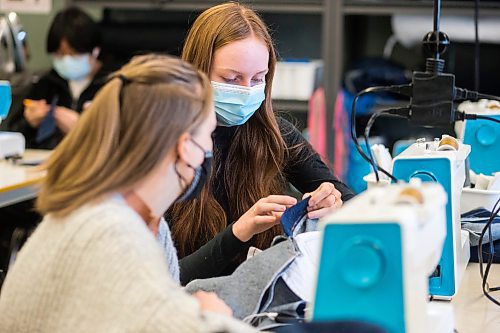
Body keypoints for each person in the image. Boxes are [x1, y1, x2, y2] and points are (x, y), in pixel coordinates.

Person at [0, 54, 256, 333]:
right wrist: (213, 315)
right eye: (208, 133)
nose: (210, 146)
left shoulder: (135, 217)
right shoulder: (110, 230)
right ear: (186, 146)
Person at [169, 2, 355, 285]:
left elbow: (353, 203)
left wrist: (333, 202)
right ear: (197, 72)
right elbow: (160, 278)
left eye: (258, 79)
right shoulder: (164, 148)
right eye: (232, 79)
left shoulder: (273, 134)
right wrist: (239, 233)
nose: (246, 92)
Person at [3, 6, 107, 149]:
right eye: (59, 54)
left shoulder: (112, 85)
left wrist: (83, 128)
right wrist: (28, 123)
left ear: (95, 51)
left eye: (72, 54)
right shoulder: (47, 84)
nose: (65, 60)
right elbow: (12, 133)